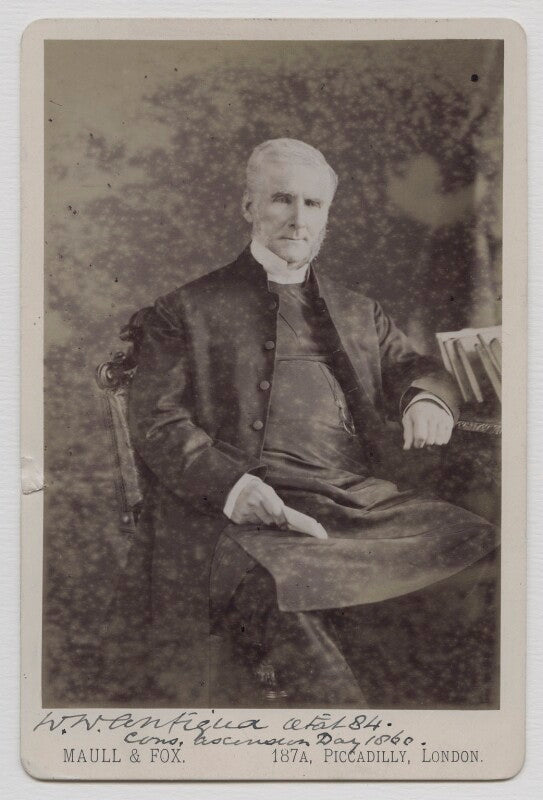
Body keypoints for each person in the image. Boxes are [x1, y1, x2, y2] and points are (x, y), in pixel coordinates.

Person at [123, 138, 497, 707]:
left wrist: (427, 399)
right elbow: (157, 420)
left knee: (488, 549)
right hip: (250, 512)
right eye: (282, 199)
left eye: (313, 204)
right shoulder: (185, 309)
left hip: (358, 504)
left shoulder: (360, 311)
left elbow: (419, 367)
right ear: (249, 206)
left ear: (326, 216)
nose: (298, 219)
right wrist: (234, 488)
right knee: (285, 591)